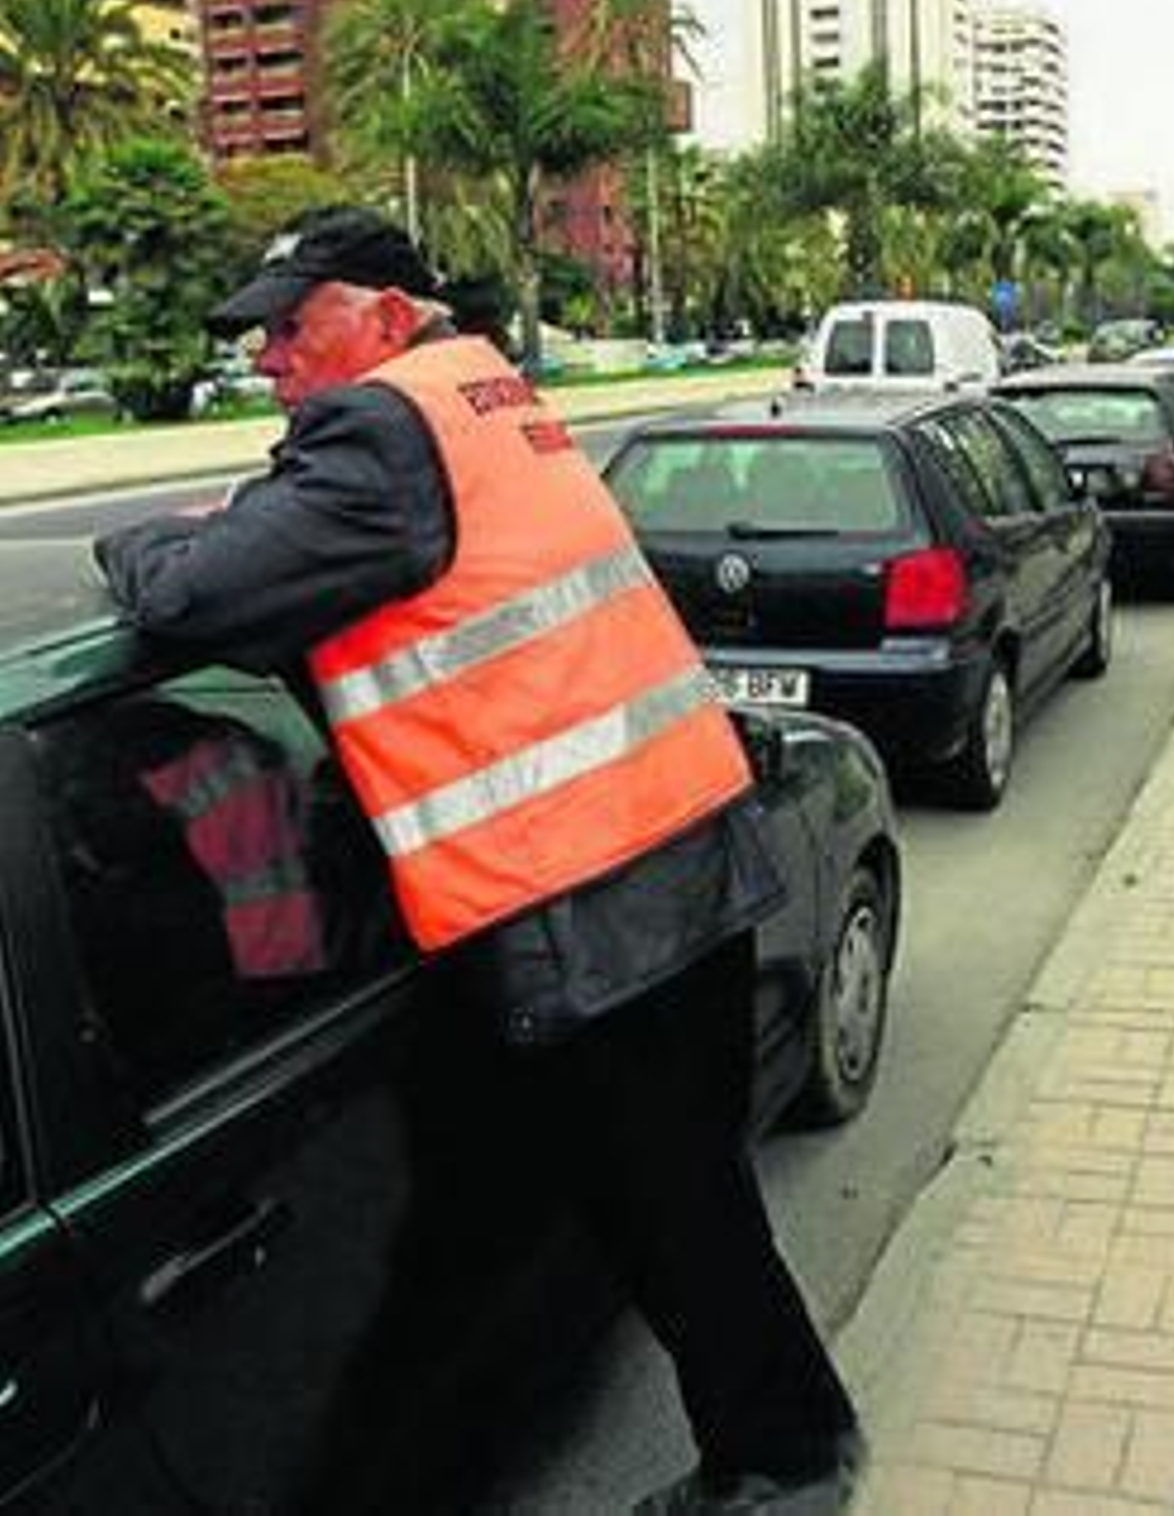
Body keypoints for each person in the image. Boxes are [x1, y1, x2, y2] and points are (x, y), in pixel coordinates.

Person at [94, 205, 862, 1516]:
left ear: (388, 316)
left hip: (595, 891)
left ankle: (787, 1462)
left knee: (677, 1211)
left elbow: (185, 599)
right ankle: (779, 1445)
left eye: (293, 324)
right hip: (663, 851)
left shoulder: (378, 430)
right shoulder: (481, 392)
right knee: (671, 1202)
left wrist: (156, 534)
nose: (267, 357)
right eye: (259, 335)